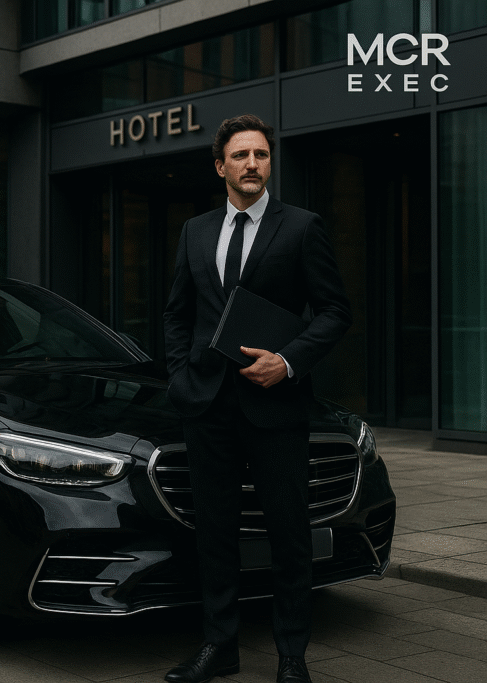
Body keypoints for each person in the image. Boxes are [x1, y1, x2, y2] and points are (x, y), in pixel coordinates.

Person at [162, 115, 351, 683]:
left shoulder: (301, 227)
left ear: (271, 164)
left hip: (275, 406)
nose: (252, 164)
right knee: (215, 533)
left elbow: (336, 311)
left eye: (262, 155)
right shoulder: (195, 231)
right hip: (206, 406)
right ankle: (220, 645)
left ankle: (292, 655)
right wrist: (179, 376)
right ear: (220, 166)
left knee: (288, 533)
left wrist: (288, 361)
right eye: (241, 155)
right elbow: (178, 313)